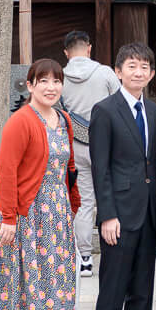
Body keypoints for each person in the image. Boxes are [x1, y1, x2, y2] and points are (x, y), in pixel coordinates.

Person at [0, 58, 80, 310]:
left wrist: (72, 208)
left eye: (56, 81)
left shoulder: (64, 120)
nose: (51, 87)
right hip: (26, 218)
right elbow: (7, 172)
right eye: (43, 80)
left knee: (49, 291)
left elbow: (69, 168)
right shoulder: (20, 121)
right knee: (24, 291)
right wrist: (9, 217)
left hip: (56, 218)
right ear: (29, 86)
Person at [89, 42, 156, 310]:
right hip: (118, 217)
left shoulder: (154, 112)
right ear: (118, 71)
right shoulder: (104, 111)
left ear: (151, 74)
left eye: (145, 67)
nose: (139, 72)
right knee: (112, 289)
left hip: (148, 215)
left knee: (142, 290)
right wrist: (107, 215)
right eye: (132, 66)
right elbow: (100, 167)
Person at [61, 30, 119, 278]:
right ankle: (115, 251)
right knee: (112, 196)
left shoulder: (57, 78)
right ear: (89, 48)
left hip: (76, 145)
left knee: (84, 202)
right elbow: (121, 102)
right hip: (106, 143)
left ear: (66, 53)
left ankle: (84, 258)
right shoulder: (105, 72)